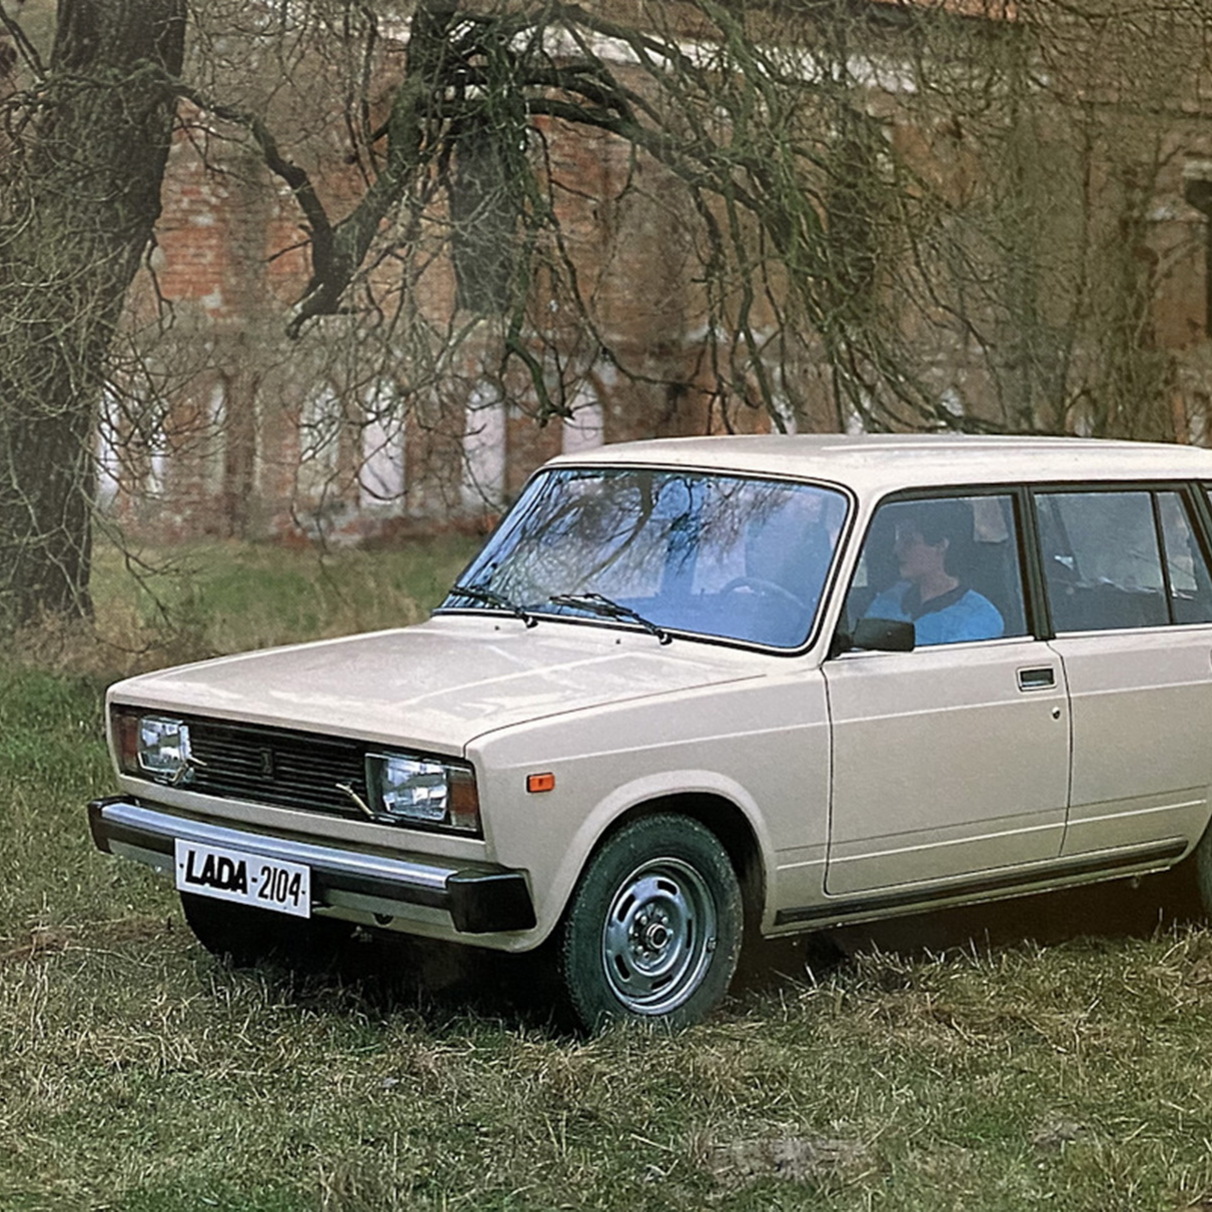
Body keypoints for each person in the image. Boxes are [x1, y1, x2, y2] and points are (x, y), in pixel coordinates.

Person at [863, 499, 1004, 646]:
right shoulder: (889, 600)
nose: (897, 550)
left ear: (940, 546)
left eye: (909, 541)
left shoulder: (979, 617)